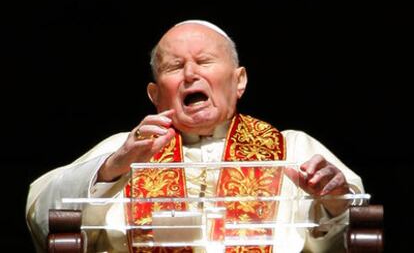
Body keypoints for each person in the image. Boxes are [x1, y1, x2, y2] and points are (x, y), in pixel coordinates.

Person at [26, 20, 364, 253]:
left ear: (239, 80)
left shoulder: (294, 148)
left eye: (204, 61)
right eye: (175, 66)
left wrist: (334, 201)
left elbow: (352, 234)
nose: (190, 74)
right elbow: (43, 216)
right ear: (155, 94)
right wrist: (111, 169)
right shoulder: (124, 150)